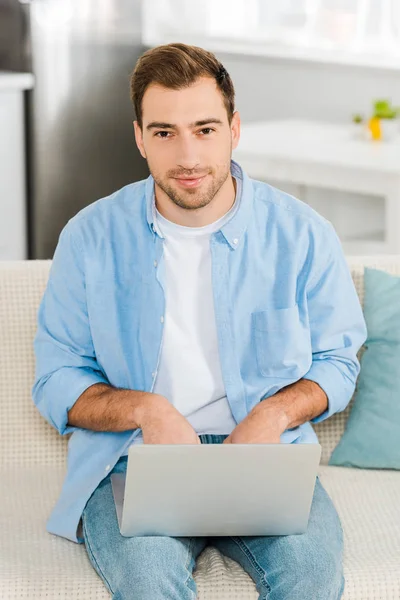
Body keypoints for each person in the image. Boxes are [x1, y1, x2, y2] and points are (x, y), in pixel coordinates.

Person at [32, 42, 367, 600]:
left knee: (311, 579)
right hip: (132, 461)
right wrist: (148, 410)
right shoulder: (89, 237)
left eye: (205, 129)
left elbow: (337, 361)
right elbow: (56, 379)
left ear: (235, 129)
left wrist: (274, 413)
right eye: (165, 132)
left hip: (267, 459)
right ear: (139, 137)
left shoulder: (303, 234)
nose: (187, 155)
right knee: (145, 582)